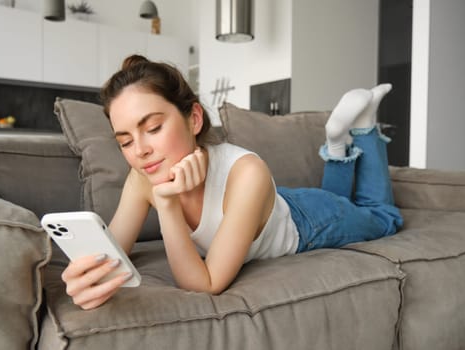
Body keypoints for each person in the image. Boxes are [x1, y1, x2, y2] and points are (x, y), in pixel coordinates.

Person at [61, 55, 403, 310]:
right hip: (262, 206)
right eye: (125, 141)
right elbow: (109, 254)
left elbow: (206, 283)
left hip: (307, 220)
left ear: (193, 118)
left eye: (152, 128)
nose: (141, 151)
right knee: (337, 198)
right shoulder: (142, 178)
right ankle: (337, 143)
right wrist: (81, 277)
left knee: (383, 216)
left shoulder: (247, 171)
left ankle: (363, 126)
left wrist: (166, 204)